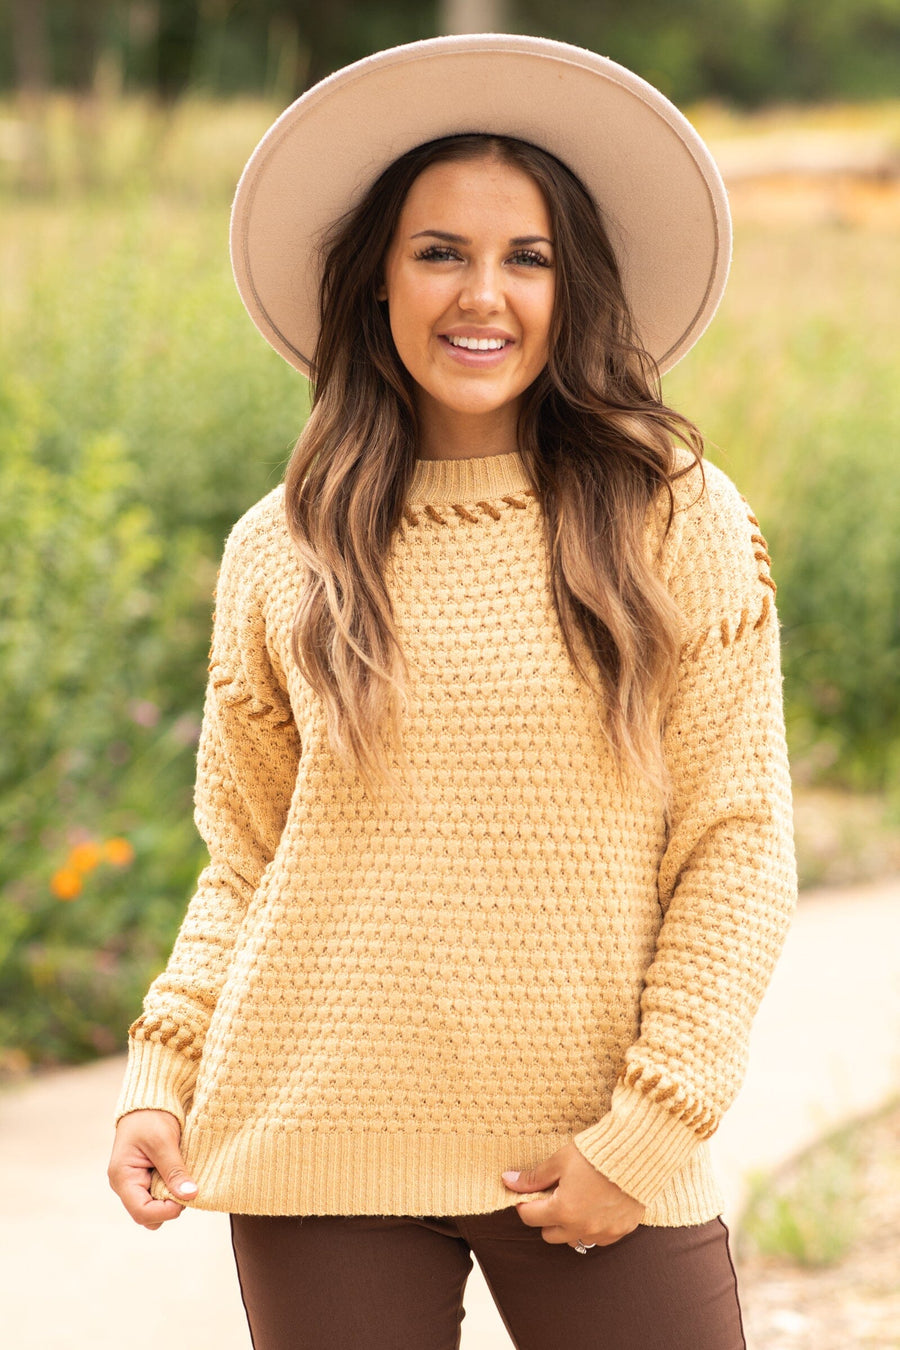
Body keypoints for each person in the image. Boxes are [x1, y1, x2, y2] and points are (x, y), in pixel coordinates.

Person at [107, 33, 797, 1350]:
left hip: (597, 1149)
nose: (483, 294)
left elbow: (738, 845)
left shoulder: (677, 518)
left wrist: (650, 1129)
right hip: (317, 1145)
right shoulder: (281, 546)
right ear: (377, 278)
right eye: (439, 252)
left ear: (573, 286)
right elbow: (247, 859)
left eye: (527, 257)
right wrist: (163, 1070)